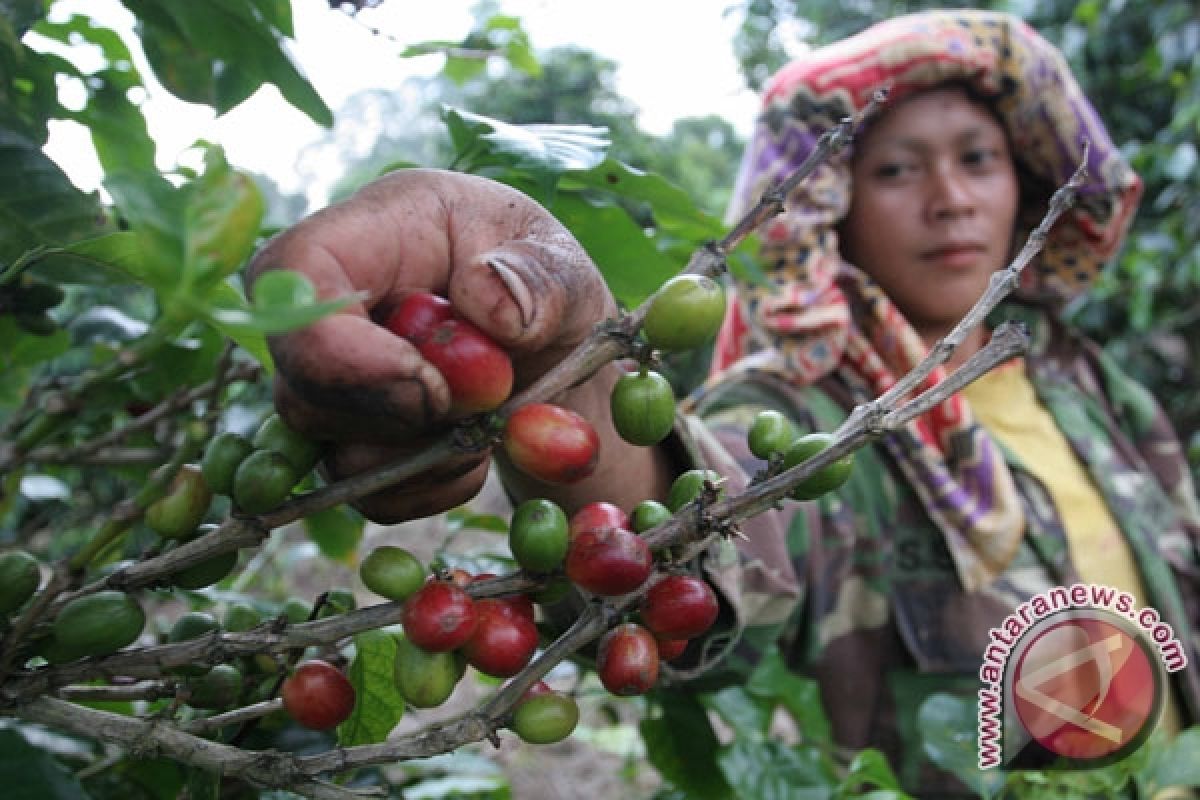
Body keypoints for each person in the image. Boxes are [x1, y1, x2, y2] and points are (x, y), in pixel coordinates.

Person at [248, 9, 1200, 795]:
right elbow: (696, 528)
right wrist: (572, 361)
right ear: (832, 202)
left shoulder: (1089, 383)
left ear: (1024, 183)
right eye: (900, 169)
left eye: (979, 161)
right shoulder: (801, 403)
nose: (951, 199)